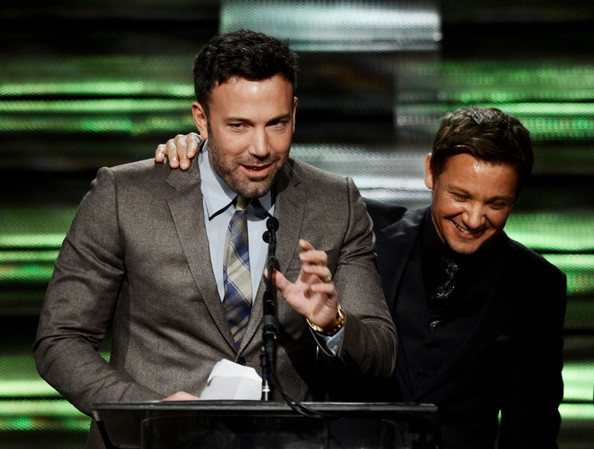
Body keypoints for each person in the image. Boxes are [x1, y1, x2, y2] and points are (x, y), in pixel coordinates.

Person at [34, 30, 397, 449]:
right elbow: (60, 341)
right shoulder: (123, 196)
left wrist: (332, 323)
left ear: (295, 113)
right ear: (202, 119)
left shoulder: (335, 202)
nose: (261, 147)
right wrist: (148, 410)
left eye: (277, 123)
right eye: (239, 126)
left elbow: (381, 355)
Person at [157, 106, 567, 449]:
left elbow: (531, 427)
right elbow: (262, 178)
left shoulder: (538, 286)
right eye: (460, 196)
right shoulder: (361, 226)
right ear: (430, 172)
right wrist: (200, 153)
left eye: (496, 204)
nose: (475, 218)